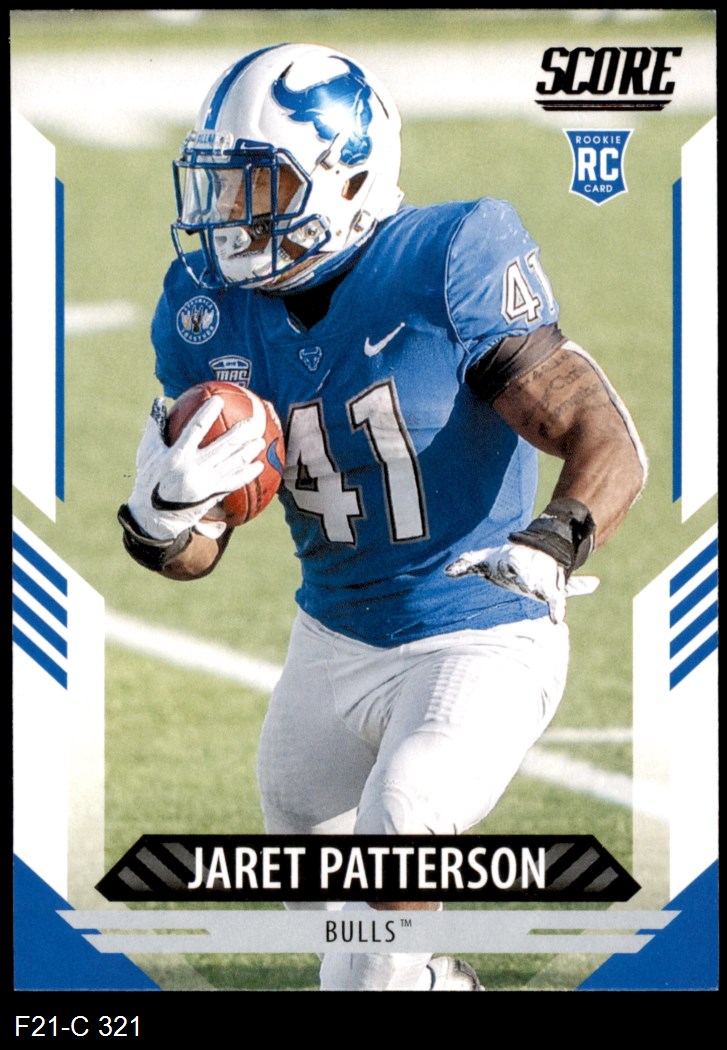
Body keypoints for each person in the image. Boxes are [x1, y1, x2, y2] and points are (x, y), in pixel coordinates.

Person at [118, 42, 647, 991]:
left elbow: (601, 434)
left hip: (478, 631)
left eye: (259, 185)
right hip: (329, 638)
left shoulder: (447, 256)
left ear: (348, 175)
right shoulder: (205, 307)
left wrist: (554, 540)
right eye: (221, 185)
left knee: (398, 833)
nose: (230, 213)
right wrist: (157, 522)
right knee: (334, 929)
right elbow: (200, 548)